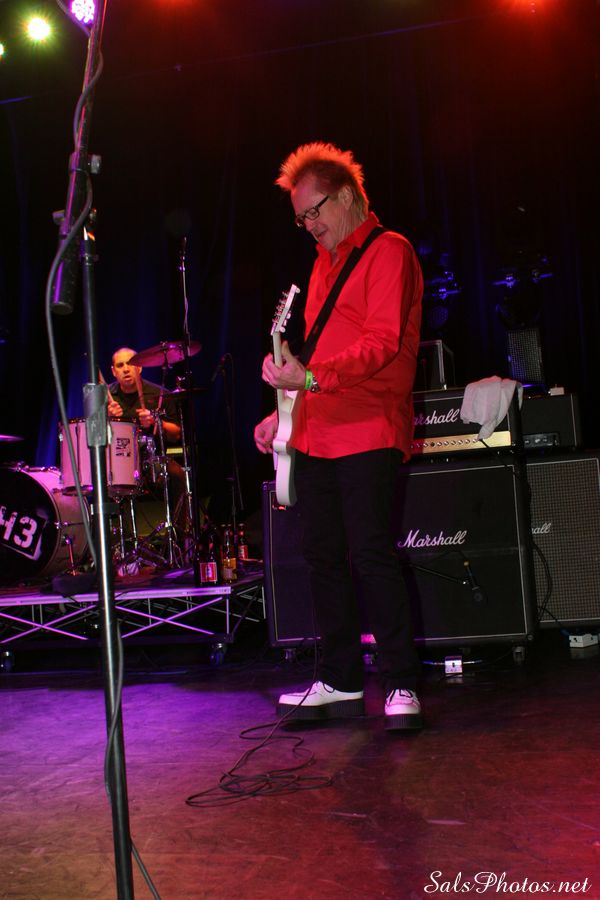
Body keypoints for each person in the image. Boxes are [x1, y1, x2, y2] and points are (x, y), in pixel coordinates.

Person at [254, 142, 424, 731]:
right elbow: (320, 350)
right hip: (318, 428)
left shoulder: (390, 250)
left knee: (372, 553)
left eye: (314, 211)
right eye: (300, 218)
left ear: (347, 195)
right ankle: (342, 679)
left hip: (370, 424)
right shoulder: (321, 264)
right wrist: (285, 412)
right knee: (322, 557)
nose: (309, 225)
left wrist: (308, 378)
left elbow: (380, 343)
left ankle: (401, 682)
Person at [108, 347, 190, 542]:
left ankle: (177, 539)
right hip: (118, 464)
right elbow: (90, 435)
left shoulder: (159, 394)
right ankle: (121, 543)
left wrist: (156, 421)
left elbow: (177, 433)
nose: (126, 369)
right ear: (113, 371)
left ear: (140, 368)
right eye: (120, 365)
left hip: (152, 462)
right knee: (97, 484)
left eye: (130, 364)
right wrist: (106, 418)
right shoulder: (105, 397)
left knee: (178, 476)